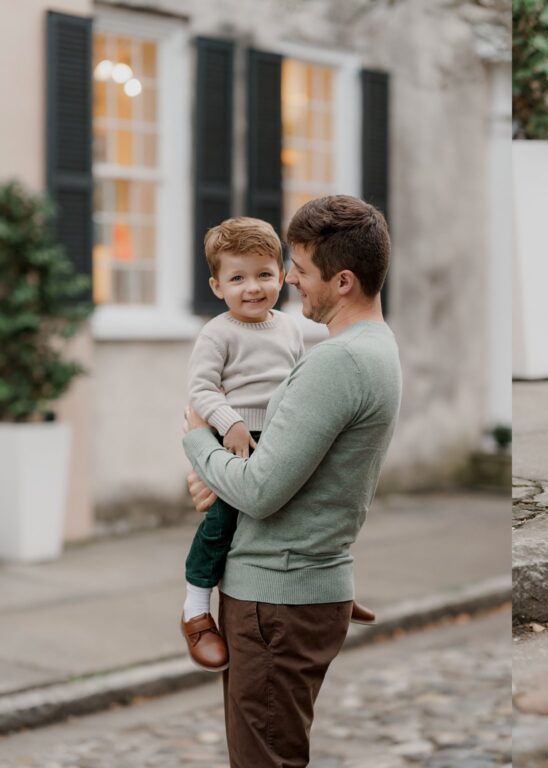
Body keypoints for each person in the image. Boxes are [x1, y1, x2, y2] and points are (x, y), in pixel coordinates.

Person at [183, 196, 402, 766]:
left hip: (276, 599)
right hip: (298, 589)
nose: (290, 281)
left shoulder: (337, 362)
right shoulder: (373, 346)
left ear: (344, 280)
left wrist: (197, 441)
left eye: (299, 269)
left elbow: (259, 489)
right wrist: (222, 472)